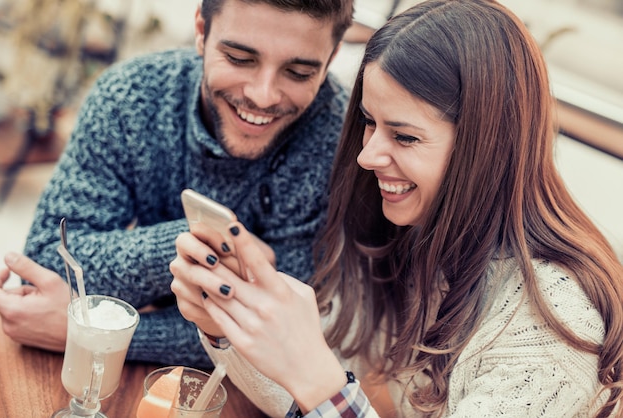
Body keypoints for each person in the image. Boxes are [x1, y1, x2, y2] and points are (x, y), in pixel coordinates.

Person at [169, 0, 623, 416]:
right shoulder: (415, 236)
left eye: (404, 136)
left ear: (489, 148)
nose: (366, 157)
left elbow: (322, 388)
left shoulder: (554, 327)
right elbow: (305, 394)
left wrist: (317, 378)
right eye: (370, 122)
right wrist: (223, 325)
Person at [0, 0, 354, 368]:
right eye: (238, 58)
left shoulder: (339, 139)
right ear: (201, 30)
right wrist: (192, 242)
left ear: (331, 58)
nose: (263, 96)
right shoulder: (130, 98)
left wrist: (92, 332)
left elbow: (285, 334)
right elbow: (47, 262)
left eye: (297, 73)